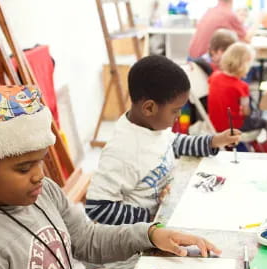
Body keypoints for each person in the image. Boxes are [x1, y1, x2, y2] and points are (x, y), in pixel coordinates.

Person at [0, 85, 221, 269]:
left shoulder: (42, 191)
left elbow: (86, 239)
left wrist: (149, 234)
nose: (39, 175)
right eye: (24, 168)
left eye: (41, 161)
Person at [86, 55, 240, 225]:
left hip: (166, 211)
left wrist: (215, 141)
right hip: (142, 236)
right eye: (175, 110)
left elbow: (175, 143)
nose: (179, 115)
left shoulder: (154, 127)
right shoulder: (122, 152)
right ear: (149, 108)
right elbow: (97, 207)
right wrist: (151, 218)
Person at [208, 42, 267, 152]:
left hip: (214, 124)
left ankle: (255, 145)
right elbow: (246, 112)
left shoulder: (214, 76)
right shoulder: (242, 87)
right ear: (243, 65)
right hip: (234, 127)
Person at [188, 0, 257, 58]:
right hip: (205, 61)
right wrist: (259, 20)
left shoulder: (210, 11)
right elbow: (247, 39)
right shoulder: (229, 14)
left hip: (193, 59)